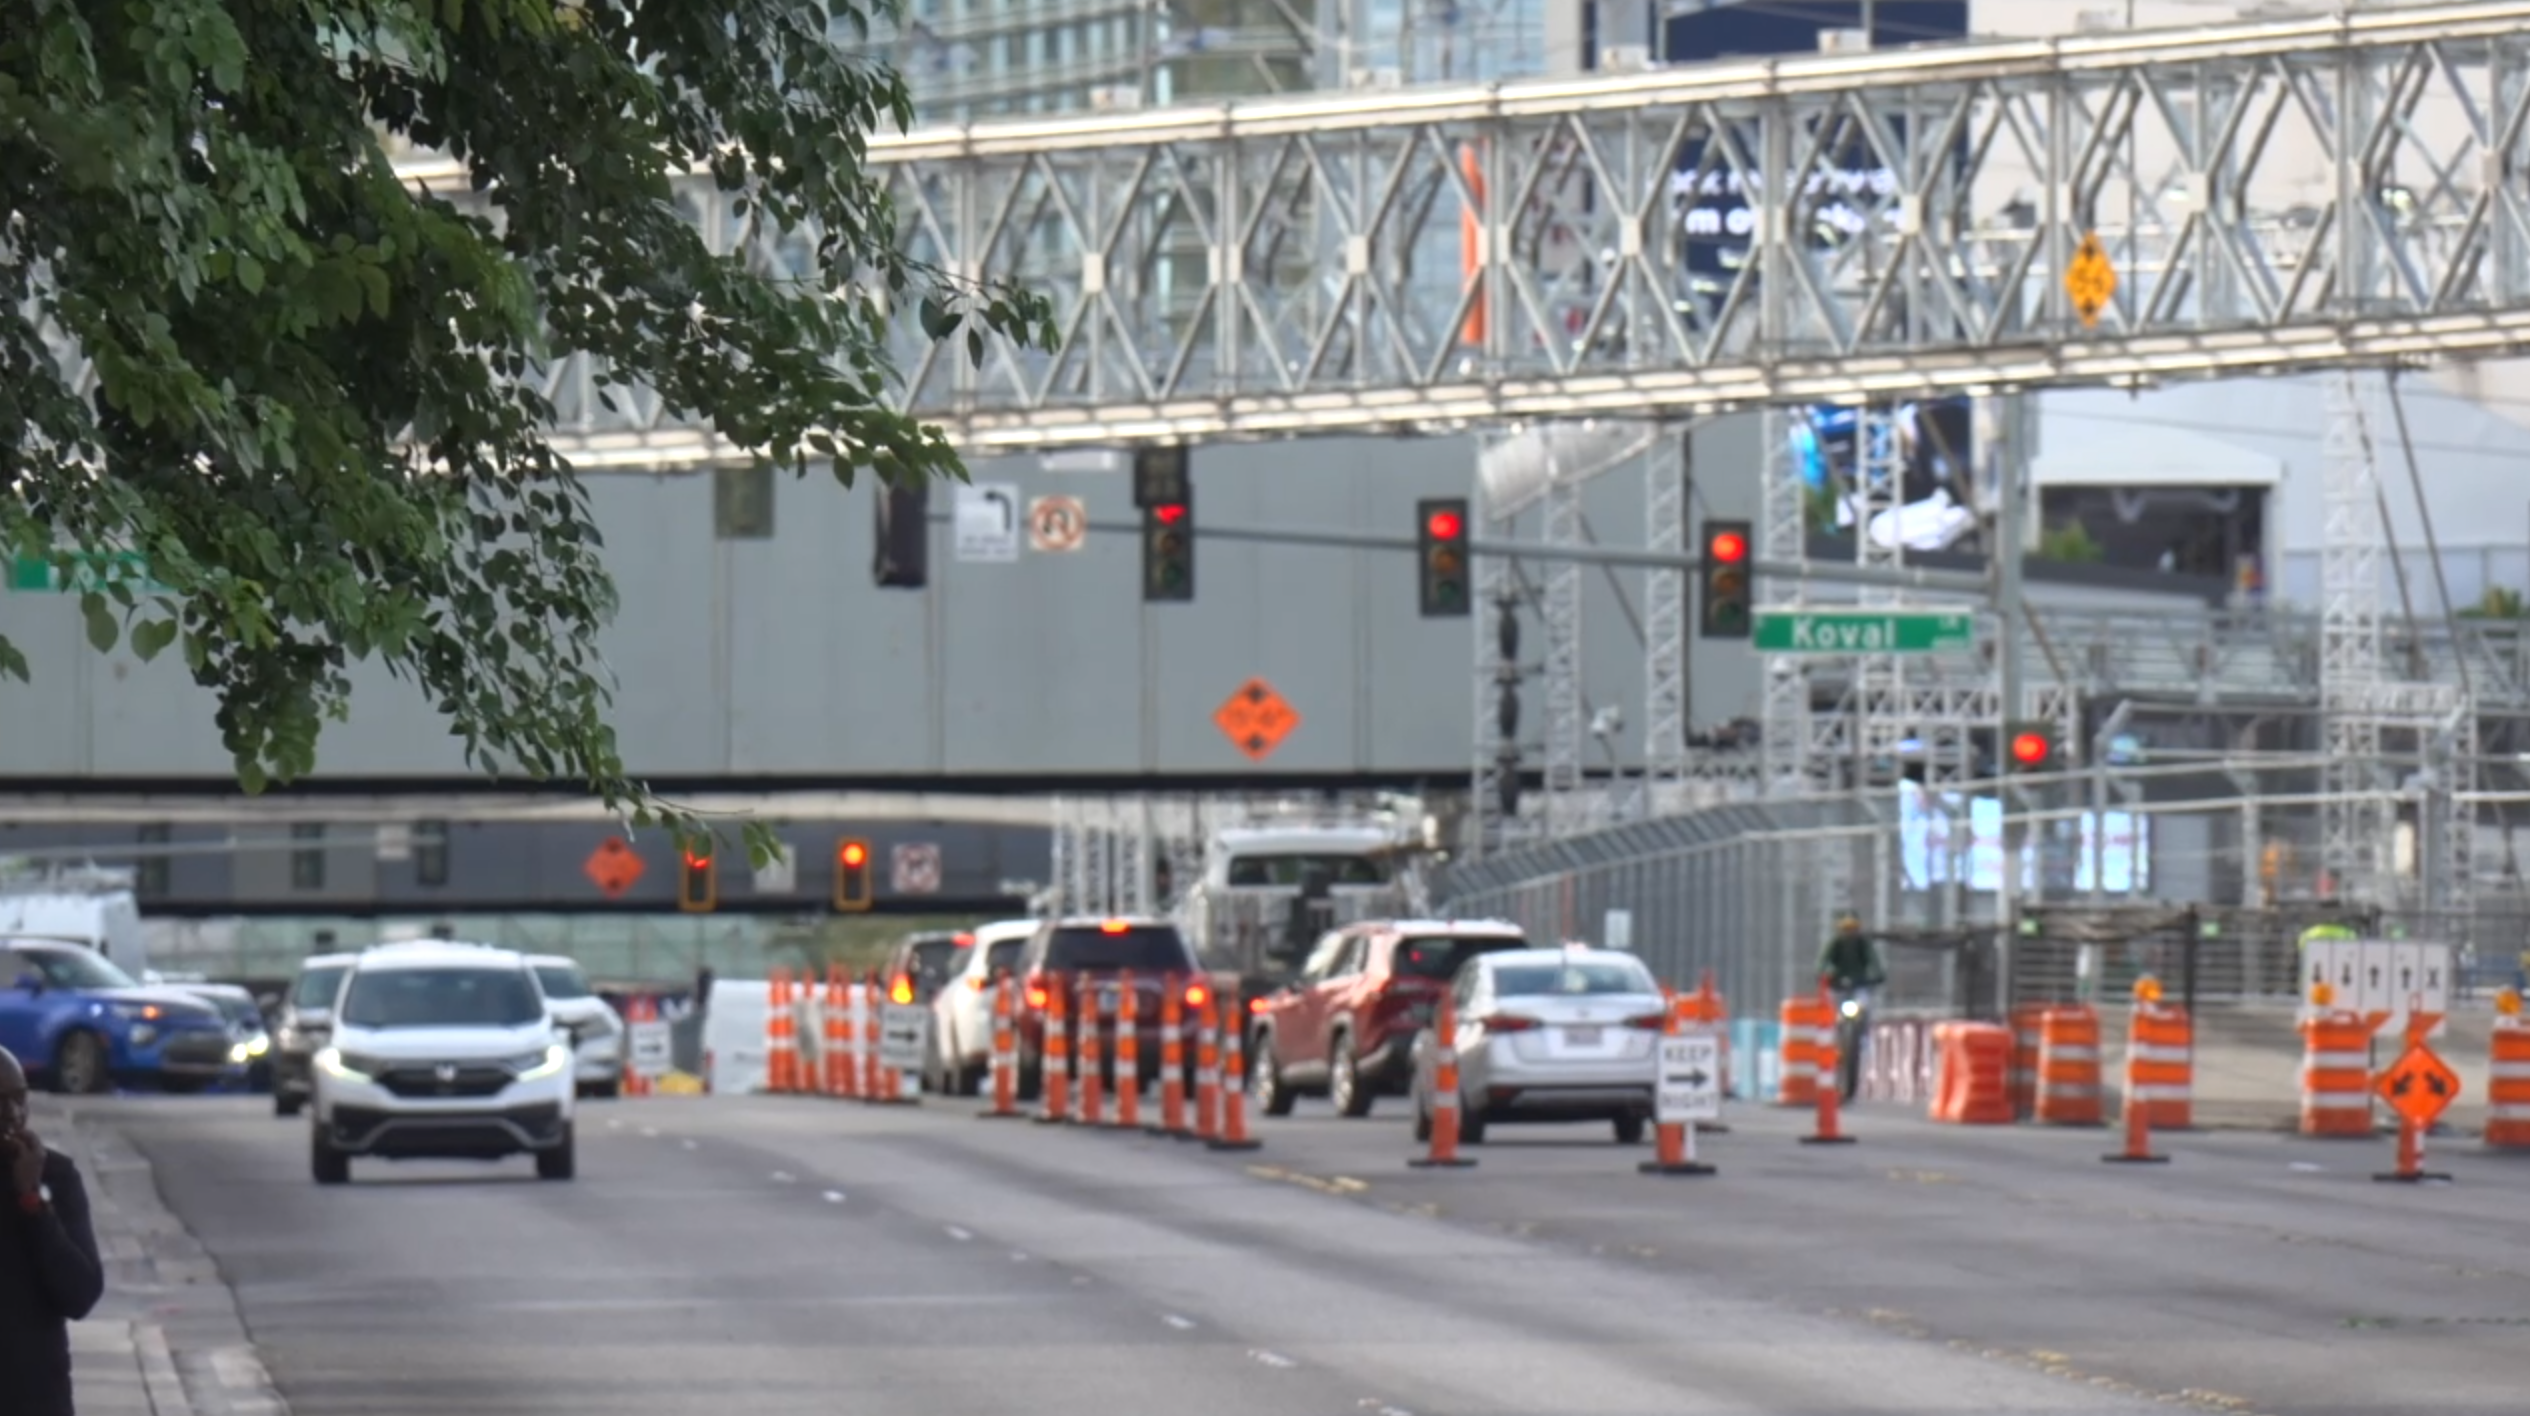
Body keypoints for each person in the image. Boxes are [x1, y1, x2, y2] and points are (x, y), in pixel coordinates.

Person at [1, 1045, 105, 1416]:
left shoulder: (55, 1176)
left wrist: (33, 1201)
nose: (13, 1115)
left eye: (19, 1100)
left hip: (35, 1397)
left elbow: (81, 1294)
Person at [1816, 912, 1887, 993]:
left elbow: (1873, 958)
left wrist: (1878, 974)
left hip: (1860, 980)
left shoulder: (1863, 943)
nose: (1850, 932)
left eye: (1853, 928)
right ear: (1841, 930)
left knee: (1863, 1001)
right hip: (1838, 981)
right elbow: (1824, 959)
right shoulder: (1835, 943)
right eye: (1846, 929)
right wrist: (1821, 973)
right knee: (1833, 1002)